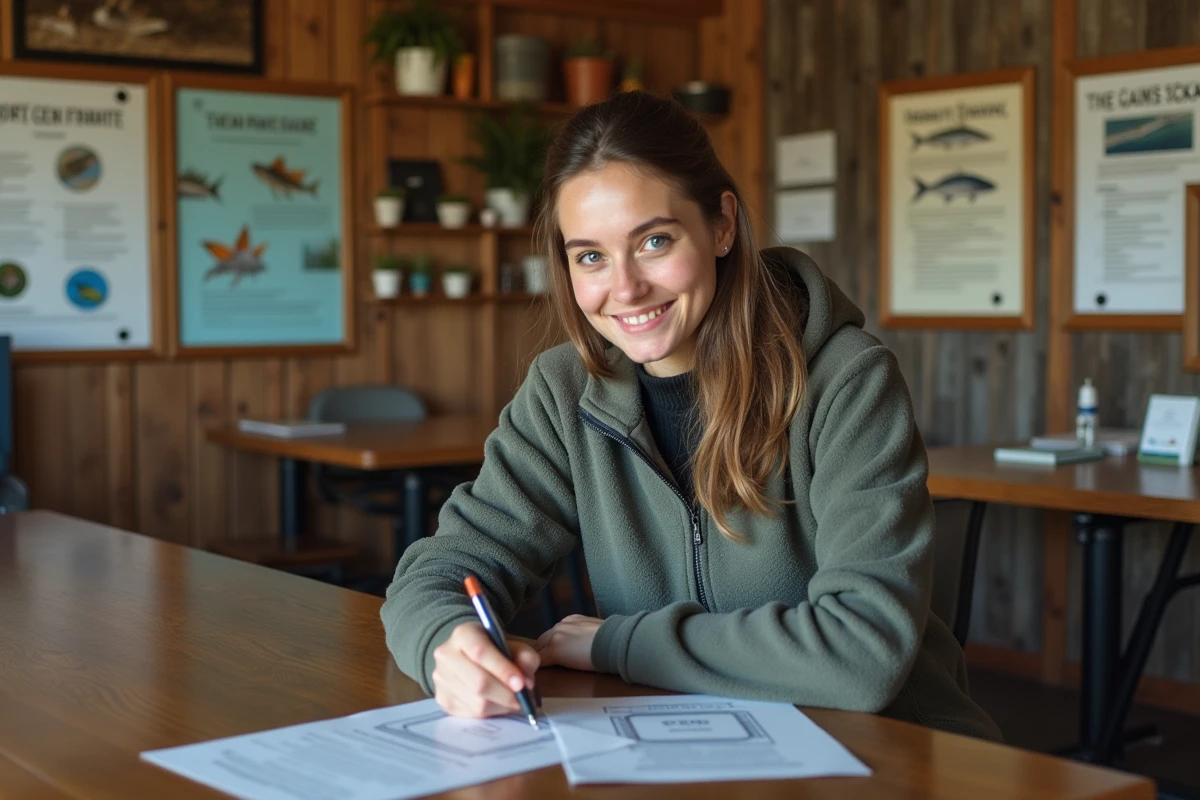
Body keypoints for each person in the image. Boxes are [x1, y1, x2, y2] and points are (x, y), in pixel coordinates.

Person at [381, 90, 1001, 741]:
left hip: (888, 753)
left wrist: (617, 645)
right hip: (681, 745)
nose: (623, 288)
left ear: (722, 226)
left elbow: (861, 654)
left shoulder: (847, 379)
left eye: (653, 241)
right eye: (590, 255)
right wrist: (444, 645)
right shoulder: (563, 391)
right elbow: (437, 574)